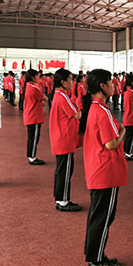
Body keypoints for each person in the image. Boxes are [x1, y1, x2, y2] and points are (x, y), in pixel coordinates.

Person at [80, 69, 127, 266]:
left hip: (98, 169)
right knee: (103, 217)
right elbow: (111, 143)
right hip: (105, 171)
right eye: (110, 82)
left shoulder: (95, 107)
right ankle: (97, 259)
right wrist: (123, 131)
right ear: (102, 86)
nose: (114, 85)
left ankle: (95, 254)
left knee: (98, 216)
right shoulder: (102, 110)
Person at [50, 69, 83, 212]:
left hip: (61, 138)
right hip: (64, 139)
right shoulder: (62, 97)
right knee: (65, 171)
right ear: (62, 82)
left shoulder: (60, 96)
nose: (72, 82)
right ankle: (63, 201)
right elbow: (77, 115)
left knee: (62, 170)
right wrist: (77, 106)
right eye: (70, 79)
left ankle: (59, 197)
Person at [22, 69, 47, 165]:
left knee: (32, 137)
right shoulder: (34, 88)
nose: (38, 78)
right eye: (37, 76)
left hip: (30, 115)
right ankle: (32, 157)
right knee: (34, 138)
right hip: (34, 116)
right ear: (33, 77)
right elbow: (44, 98)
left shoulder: (28, 86)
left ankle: (31, 155)